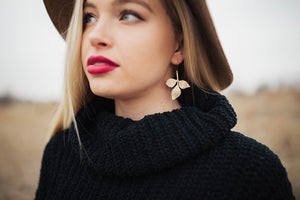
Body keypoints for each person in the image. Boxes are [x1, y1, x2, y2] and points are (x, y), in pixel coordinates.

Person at [35, 0, 295, 199]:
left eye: (128, 14)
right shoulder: (61, 154)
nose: (94, 36)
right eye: (88, 17)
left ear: (178, 45)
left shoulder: (249, 172)